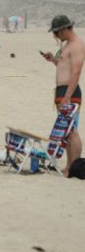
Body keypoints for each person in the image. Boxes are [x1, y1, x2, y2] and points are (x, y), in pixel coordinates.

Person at [42, 15, 84, 177]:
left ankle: (75, 166)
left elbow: (76, 72)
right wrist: (53, 60)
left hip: (70, 92)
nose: (56, 36)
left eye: (57, 33)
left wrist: (67, 95)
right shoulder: (67, 45)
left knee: (72, 131)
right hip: (62, 92)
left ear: (65, 29)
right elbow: (64, 67)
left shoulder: (77, 45)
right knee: (66, 131)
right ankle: (68, 166)